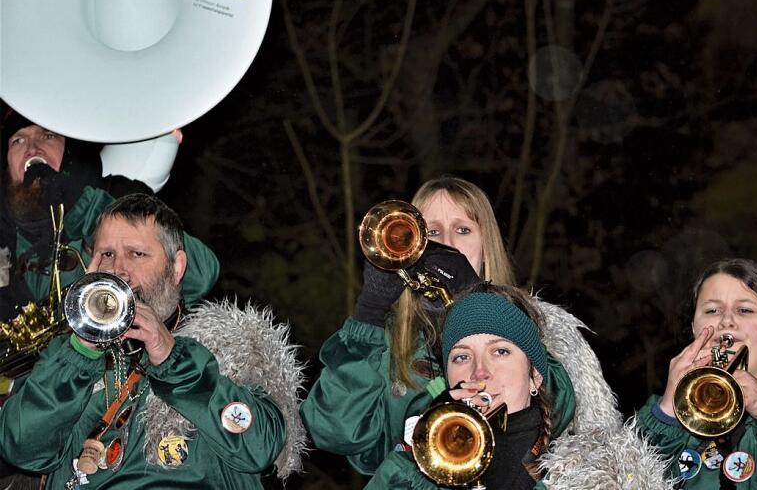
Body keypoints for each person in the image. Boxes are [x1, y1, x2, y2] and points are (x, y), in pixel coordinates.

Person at [301, 177, 629, 475]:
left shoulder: (539, 324)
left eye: (462, 230)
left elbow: (555, 406)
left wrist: (477, 300)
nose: (447, 245)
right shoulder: (383, 341)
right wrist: (369, 313)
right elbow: (331, 430)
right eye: (431, 233)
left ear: (487, 247)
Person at [0, 194, 306, 488]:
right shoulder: (68, 356)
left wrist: (172, 358)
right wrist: (81, 351)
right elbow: (21, 448)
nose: (118, 269)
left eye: (136, 254)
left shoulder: (232, 346)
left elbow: (262, 446)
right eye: (107, 254)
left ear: (177, 268)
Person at [368, 284, 671, 489]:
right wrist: (422, 460)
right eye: (461, 356)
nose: (479, 371)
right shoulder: (415, 470)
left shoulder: (600, 474)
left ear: (535, 376)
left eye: (500, 351)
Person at [0, 109, 219, 324]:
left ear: (69, 151)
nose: (32, 148)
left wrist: (84, 207)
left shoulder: (119, 195)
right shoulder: (4, 232)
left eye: (48, 136)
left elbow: (200, 276)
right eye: (18, 141)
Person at [637, 258, 757, 488]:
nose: (726, 321)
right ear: (695, 328)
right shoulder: (667, 419)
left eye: (744, 310)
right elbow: (626, 477)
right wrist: (666, 415)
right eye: (713, 310)